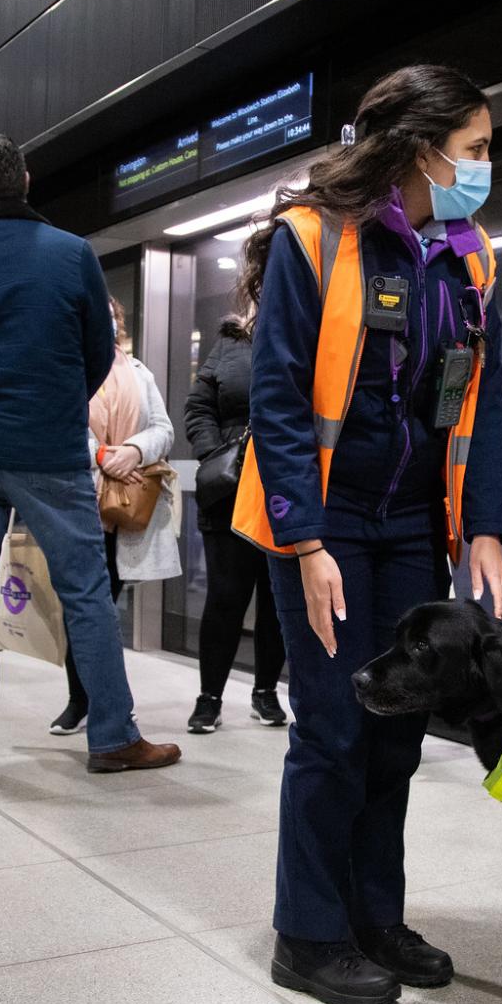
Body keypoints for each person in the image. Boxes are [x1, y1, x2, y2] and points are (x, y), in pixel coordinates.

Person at [236, 65, 502, 1004]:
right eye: (474, 149)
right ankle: (309, 934)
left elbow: (483, 396)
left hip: (411, 525)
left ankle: (374, 916)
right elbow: (276, 401)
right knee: (333, 728)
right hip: (321, 521)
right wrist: (305, 541)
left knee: (396, 730)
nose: (485, 167)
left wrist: (483, 528)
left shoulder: (468, 257)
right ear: (419, 147)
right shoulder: (311, 239)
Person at [0, 132, 180, 777]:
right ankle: (113, 736)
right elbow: (98, 352)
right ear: (27, 181)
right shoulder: (71, 254)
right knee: (85, 591)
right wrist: (56, 404)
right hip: (51, 450)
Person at [48, 299, 181, 733]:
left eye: (111, 316)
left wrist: (134, 451)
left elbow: (164, 428)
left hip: (126, 504)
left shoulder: (140, 373)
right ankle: (82, 699)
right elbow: (57, 427)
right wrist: (102, 453)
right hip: (78, 502)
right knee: (82, 605)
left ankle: (102, 698)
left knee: (103, 606)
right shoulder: (63, 369)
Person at [182, 309, 287, 733]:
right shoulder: (229, 341)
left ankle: (266, 692)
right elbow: (197, 408)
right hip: (230, 489)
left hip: (283, 486)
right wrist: (214, 453)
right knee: (225, 597)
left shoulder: (301, 327)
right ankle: (210, 698)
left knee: (278, 601)